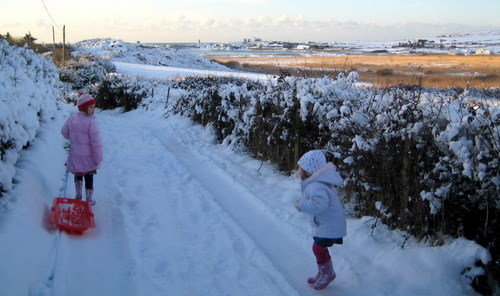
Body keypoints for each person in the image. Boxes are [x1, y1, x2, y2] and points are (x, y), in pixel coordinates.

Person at [294, 149, 346, 290]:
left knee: (317, 248)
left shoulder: (316, 185)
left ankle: (328, 273)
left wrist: (302, 205)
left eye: (301, 168)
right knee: (319, 248)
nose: (299, 170)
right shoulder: (319, 182)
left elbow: (320, 205)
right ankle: (324, 272)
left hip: (329, 225)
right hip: (328, 223)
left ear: (307, 171)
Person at [61, 93, 103, 205]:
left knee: (78, 174)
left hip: (75, 155)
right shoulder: (91, 122)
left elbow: (64, 132)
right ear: (84, 108)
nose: (93, 110)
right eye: (91, 107)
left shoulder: (72, 119)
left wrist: (74, 139)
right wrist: (98, 157)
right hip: (88, 157)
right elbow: (96, 142)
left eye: (94, 107)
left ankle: (78, 196)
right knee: (89, 176)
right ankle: (89, 199)